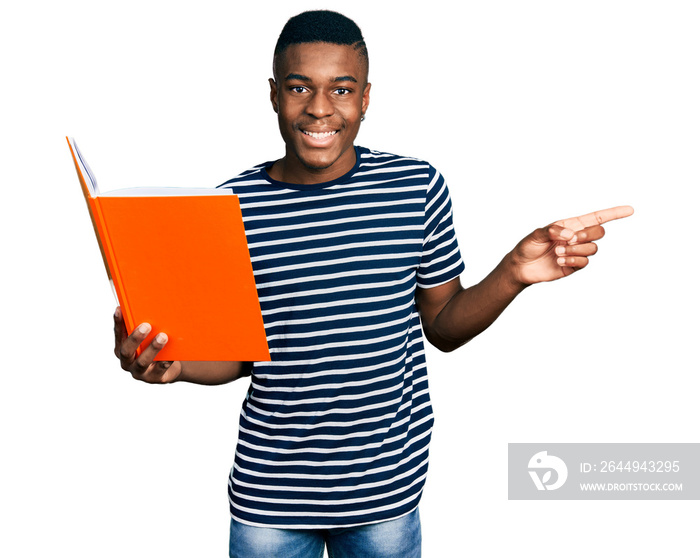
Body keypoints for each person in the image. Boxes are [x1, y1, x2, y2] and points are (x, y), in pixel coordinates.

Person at [113, 10, 633, 558]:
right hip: (270, 498)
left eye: (341, 89)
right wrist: (174, 366)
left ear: (365, 98)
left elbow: (444, 326)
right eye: (299, 88)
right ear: (273, 95)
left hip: (385, 493)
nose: (319, 108)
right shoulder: (229, 205)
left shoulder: (417, 186)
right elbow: (238, 358)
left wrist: (512, 274)